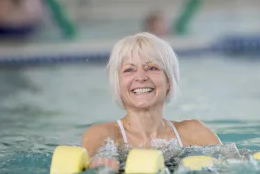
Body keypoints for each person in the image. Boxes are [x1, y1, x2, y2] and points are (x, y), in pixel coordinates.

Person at [82, 32, 222, 171]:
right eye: (129, 70)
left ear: (168, 81)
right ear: (118, 84)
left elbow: (234, 165)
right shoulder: (104, 136)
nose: (141, 77)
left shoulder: (194, 133)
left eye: (152, 68)